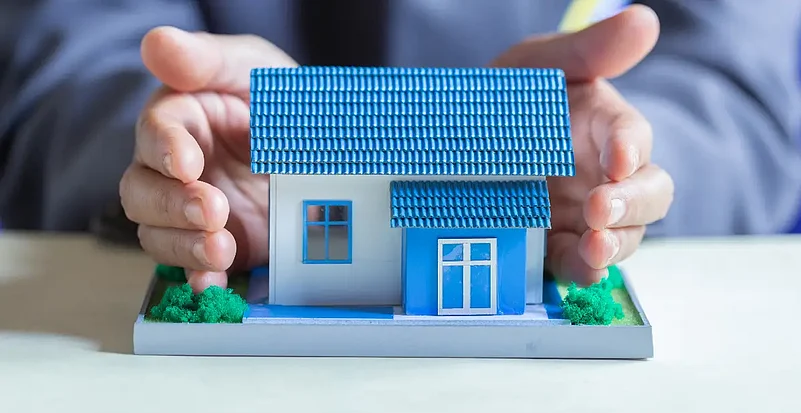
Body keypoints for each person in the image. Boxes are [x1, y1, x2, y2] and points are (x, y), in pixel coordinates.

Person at [0, 1, 799, 291]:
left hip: (555, 166)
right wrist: (175, 148)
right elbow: (68, 56)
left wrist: (617, 165)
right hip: (242, 159)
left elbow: (738, 81)